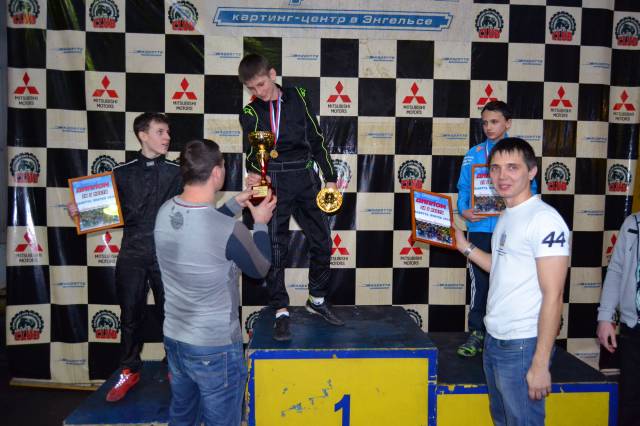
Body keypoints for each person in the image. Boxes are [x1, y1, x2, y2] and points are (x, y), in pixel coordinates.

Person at [154, 138, 275, 426]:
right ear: (217, 173)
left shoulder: (165, 211)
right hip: (214, 347)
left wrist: (235, 203)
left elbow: (201, 226)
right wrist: (260, 222)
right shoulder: (229, 229)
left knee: (182, 417)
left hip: (175, 340)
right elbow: (260, 267)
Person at [453, 137, 569, 425]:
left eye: (512, 167)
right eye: (495, 168)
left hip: (522, 345)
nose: (502, 176)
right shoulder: (507, 216)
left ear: (532, 172)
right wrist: (463, 245)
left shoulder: (544, 220)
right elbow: (501, 267)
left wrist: (540, 362)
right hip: (495, 340)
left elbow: (554, 295)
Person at [68, 112, 182, 401]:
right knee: (130, 313)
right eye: (160, 131)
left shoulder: (178, 172)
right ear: (143, 135)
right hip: (132, 252)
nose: (167, 137)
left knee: (171, 313)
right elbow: (106, 212)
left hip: (167, 253)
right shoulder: (121, 172)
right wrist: (81, 211)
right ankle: (129, 369)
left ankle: (175, 366)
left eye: (168, 132)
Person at [238, 53, 343, 341]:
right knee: (275, 248)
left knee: (322, 241)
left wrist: (330, 178)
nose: (258, 92)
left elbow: (317, 140)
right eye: (251, 88)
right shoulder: (250, 112)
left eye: (261, 84)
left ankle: (317, 299)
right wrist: (255, 175)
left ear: (272, 74)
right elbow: (253, 155)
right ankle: (281, 310)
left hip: (305, 179)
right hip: (273, 181)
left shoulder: (299, 97)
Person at [456, 101, 537, 357]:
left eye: (495, 122)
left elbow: (532, 189)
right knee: (480, 283)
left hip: (510, 228)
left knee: (510, 280)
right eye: (485, 123)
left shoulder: (519, 152)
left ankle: (506, 334)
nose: (489, 127)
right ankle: (477, 332)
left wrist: (513, 210)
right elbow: (463, 188)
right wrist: (464, 210)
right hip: (479, 227)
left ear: (508, 123)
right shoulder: (474, 153)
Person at [597, 213, 640, 426]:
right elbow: (616, 270)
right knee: (630, 401)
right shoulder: (633, 223)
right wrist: (605, 317)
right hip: (633, 327)